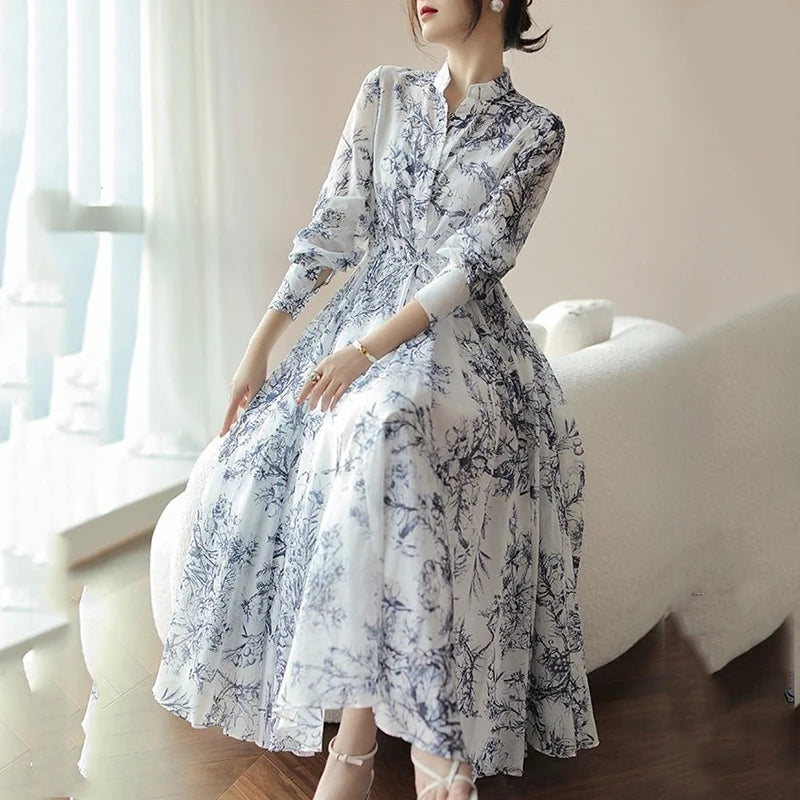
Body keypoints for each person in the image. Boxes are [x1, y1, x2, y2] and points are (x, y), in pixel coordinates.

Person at [151, 1, 600, 798]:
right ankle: (408, 751)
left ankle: (363, 749)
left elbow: (474, 264)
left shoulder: (537, 131)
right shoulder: (385, 93)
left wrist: (370, 352)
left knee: (388, 420)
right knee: (320, 442)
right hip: (357, 319)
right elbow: (333, 228)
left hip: (463, 337)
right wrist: (261, 345)